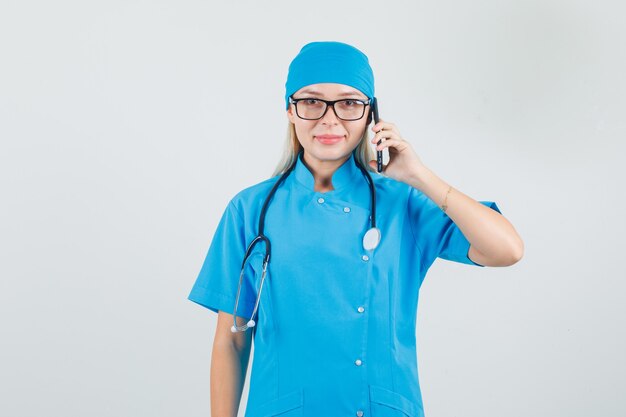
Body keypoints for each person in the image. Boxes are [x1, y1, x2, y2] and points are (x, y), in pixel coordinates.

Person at [188, 41, 524, 417]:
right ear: (289, 111)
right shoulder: (250, 210)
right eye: (312, 101)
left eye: (349, 103)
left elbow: (506, 249)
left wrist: (419, 175)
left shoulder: (403, 203)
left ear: (371, 114)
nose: (329, 120)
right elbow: (231, 342)